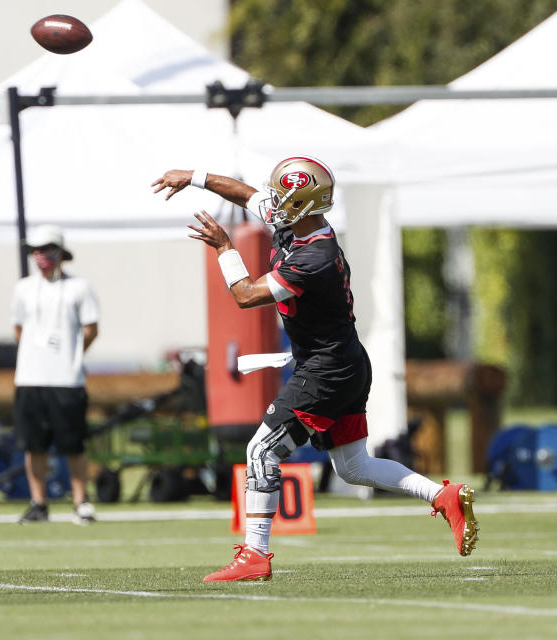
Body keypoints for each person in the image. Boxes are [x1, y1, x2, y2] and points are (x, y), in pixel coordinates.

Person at [152, 157, 478, 582]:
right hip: (339, 361)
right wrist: (193, 177)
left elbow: (247, 296)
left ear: (303, 206)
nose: (273, 206)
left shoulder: (316, 257)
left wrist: (225, 249)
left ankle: (255, 553)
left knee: (261, 451)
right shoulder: (299, 220)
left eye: (283, 200)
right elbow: (245, 193)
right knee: (354, 467)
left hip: (328, 368)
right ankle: (442, 495)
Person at [10, 224, 99, 525]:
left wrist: (70, 354)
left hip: (67, 379)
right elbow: (18, 329)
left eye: (46, 249)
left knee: (73, 444)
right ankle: (39, 503)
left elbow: (91, 330)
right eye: (36, 250)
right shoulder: (23, 288)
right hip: (30, 378)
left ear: (60, 252)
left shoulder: (80, 287)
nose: (41, 256)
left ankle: (81, 501)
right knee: (33, 445)